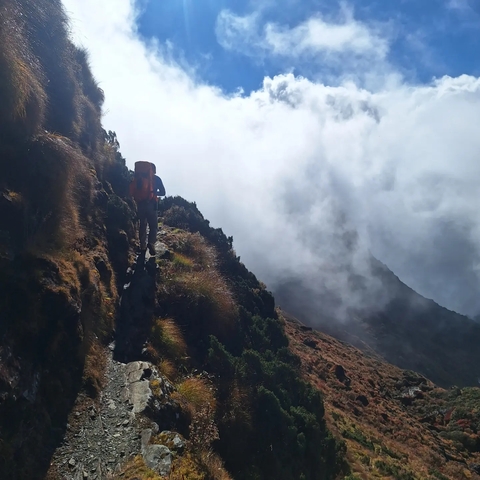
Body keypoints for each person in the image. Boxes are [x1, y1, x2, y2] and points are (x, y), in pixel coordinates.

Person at [129, 161, 166, 255]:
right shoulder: (156, 179)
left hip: (140, 204)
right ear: (153, 170)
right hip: (151, 204)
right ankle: (151, 243)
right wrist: (154, 193)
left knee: (142, 225)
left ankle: (142, 246)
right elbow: (163, 192)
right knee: (153, 226)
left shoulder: (138, 178)